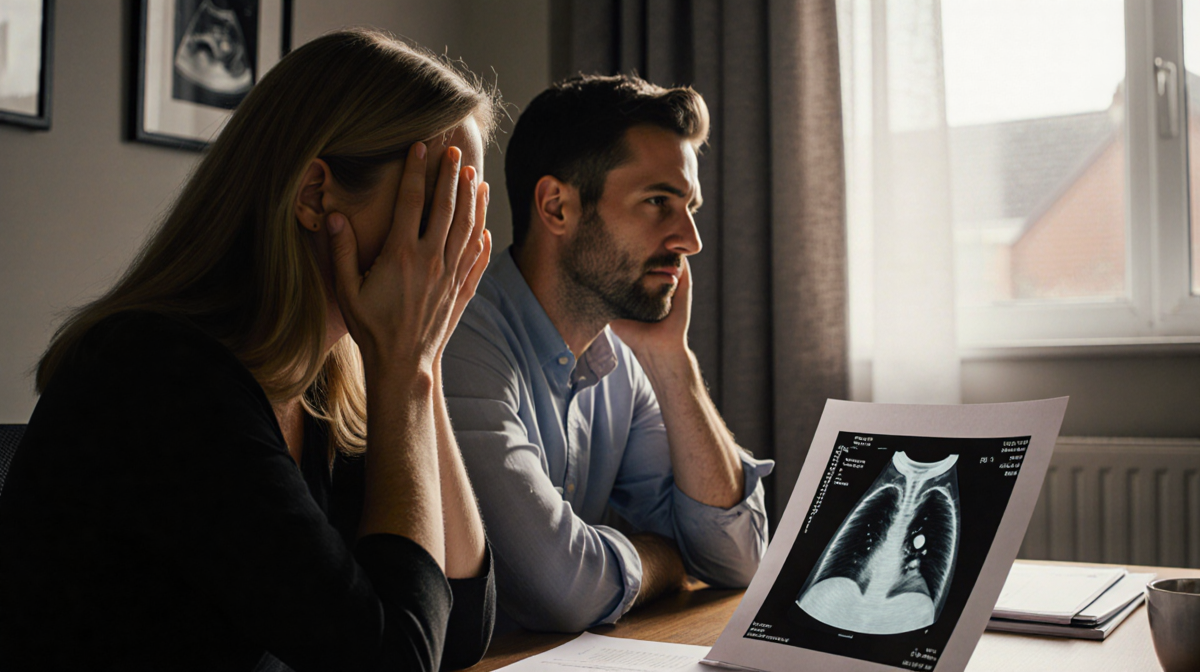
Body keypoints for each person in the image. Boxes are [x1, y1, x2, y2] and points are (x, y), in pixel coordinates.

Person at [0, 29, 499, 670]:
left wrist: (421, 365)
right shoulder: (156, 376)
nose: (452, 248)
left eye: (468, 214)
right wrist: (406, 369)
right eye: (437, 206)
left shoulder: (325, 382)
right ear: (317, 194)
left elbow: (458, 630)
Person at [441, 74, 773, 632]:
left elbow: (737, 558)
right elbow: (563, 590)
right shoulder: (461, 340)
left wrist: (673, 361)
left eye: (689, 205)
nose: (689, 238)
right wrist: (668, 559)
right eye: (658, 202)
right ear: (557, 207)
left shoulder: (619, 356)